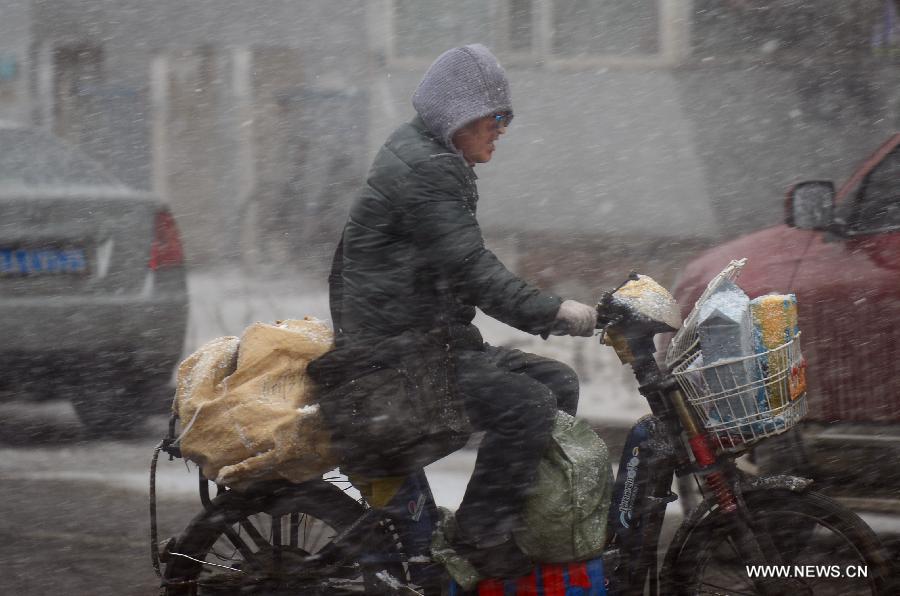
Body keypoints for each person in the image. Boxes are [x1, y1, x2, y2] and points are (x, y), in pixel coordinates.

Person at [326, 43, 597, 577]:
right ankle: (480, 537)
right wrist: (553, 311)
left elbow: (460, 268)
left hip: (424, 341)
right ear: (458, 117)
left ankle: (515, 521)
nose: (502, 129)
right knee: (527, 405)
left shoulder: (431, 156)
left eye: (506, 118)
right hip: (396, 355)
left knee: (556, 385)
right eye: (494, 117)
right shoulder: (427, 171)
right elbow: (471, 268)